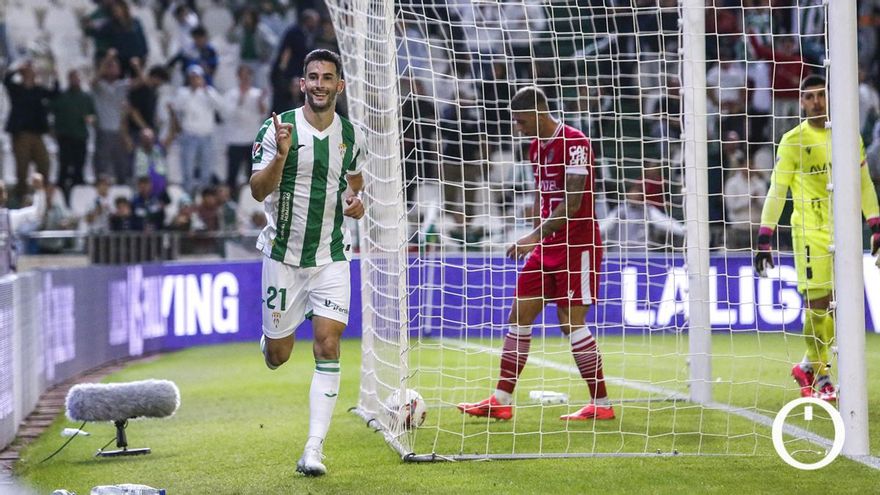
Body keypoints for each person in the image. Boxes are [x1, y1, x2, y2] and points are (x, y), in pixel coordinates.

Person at [456, 86, 613, 422]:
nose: (518, 127)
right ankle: (501, 399)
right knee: (519, 315)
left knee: (571, 323)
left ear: (540, 112)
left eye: (522, 120)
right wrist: (536, 228)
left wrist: (532, 235)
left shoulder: (575, 143)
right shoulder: (534, 148)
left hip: (577, 245)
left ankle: (601, 404)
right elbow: (546, 197)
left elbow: (572, 203)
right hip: (546, 246)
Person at [250, 49, 366, 476]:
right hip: (282, 258)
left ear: (340, 85)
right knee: (279, 356)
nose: (319, 84)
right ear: (302, 84)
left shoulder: (350, 135)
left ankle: (313, 449)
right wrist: (280, 156)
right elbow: (257, 192)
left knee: (328, 344)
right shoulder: (275, 129)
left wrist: (358, 202)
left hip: (331, 256)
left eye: (327, 77)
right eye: (312, 77)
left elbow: (355, 182)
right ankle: (272, 337)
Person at [754, 75, 880, 402]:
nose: (815, 102)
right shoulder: (793, 140)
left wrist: (876, 225)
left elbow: (864, 183)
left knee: (841, 308)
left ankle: (808, 366)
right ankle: (822, 374)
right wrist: (765, 235)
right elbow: (777, 189)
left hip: (845, 233)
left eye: (820, 95)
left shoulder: (848, 137)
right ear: (800, 102)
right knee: (817, 309)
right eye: (808, 97)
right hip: (810, 232)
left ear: (830, 97)